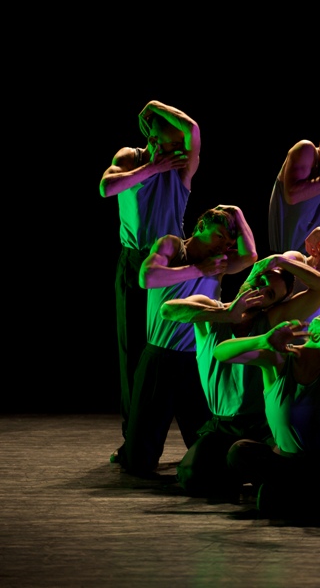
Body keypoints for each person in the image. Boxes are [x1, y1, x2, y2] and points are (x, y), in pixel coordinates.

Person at [159, 253, 320, 497]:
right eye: (261, 281)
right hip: (222, 425)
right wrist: (227, 314)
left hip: (261, 426)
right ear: (252, 274)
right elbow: (168, 310)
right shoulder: (211, 310)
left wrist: (282, 262)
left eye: (270, 294)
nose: (261, 291)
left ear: (272, 304)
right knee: (192, 478)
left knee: (274, 472)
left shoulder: (272, 319)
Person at [120, 206, 257, 477]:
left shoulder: (219, 261)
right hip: (160, 356)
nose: (224, 246)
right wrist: (198, 270)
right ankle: (131, 451)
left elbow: (250, 256)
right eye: (219, 236)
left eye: (229, 242)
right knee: (139, 463)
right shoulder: (172, 245)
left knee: (209, 455)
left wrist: (239, 213)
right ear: (202, 225)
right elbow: (147, 277)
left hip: (195, 361)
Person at [100, 100, 200, 462]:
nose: (174, 149)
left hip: (172, 262)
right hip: (135, 259)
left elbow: (192, 130)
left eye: (177, 145)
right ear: (151, 134)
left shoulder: (181, 167)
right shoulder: (131, 156)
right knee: (133, 351)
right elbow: (106, 189)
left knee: (173, 349)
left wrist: (153, 105)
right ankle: (135, 437)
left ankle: (196, 434)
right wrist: (151, 167)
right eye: (166, 141)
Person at [213, 308, 320, 521]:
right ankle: (308, 499)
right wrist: (262, 340)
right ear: (318, 326)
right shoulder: (281, 358)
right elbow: (221, 353)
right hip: (289, 463)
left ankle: (304, 499)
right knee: (241, 451)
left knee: (275, 501)